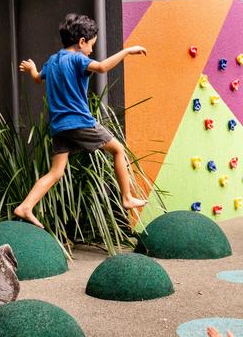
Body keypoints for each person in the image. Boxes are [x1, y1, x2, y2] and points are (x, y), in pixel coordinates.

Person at [14, 13, 147, 228]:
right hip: (79, 122)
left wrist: (31, 70)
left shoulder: (53, 60)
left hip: (59, 127)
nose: (91, 51)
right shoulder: (77, 59)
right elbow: (102, 67)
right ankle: (127, 197)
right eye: (91, 46)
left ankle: (26, 206)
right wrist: (126, 51)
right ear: (82, 42)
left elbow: (38, 78)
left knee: (56, 172)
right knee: (118, 150)